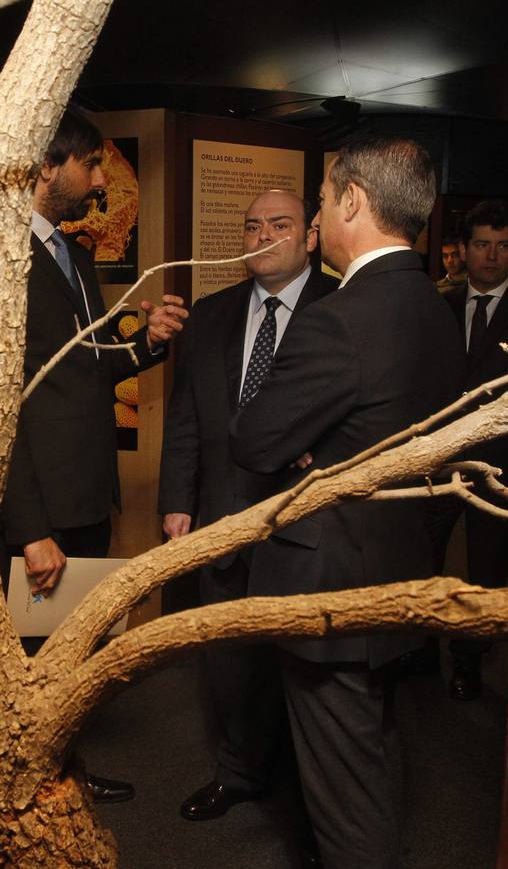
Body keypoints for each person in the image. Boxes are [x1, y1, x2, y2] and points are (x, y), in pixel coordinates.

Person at [229, 138, 465, 869]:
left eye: (325, 200)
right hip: (395, 570)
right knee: (372, 751)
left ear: (354, 201)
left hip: (331, 592)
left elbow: (255, 438)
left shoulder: (340, 317)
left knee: (343, 795)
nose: (320, 215)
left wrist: (307, 447)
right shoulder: (431, 305)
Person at [0, 109, 189, 803]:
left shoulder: (72, 256)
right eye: (90, 164)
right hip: (43, 508)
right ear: (49, 165)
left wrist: (149, 341)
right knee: (33, 662)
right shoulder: (3, 262)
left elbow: (87, 368)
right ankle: (29, 790)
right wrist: (30, 529)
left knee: (65, 655)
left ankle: (62, 775)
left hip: (84, 495)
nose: (101, 180)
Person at [159, 190, 337, 822]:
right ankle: (238, 772)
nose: (264, 235)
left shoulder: (340, 309)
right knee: (229, 656)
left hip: (309, 518)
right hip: (221, 514)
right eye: (253, 224)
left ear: (310, 237)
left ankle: (310, 796)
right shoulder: (210, 315)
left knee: (304, 662)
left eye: (280, 225)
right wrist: (179, 501)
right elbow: (185, 417)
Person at [427, 200, 508, 700]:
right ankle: (420, 647)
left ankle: (469, 659)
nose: (492, 257)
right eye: (481, 245)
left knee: (488, 567)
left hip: (501, 459)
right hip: (438, 459)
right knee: (422, 554)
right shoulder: (438, 305)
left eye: (503, 245)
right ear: (463, 250)